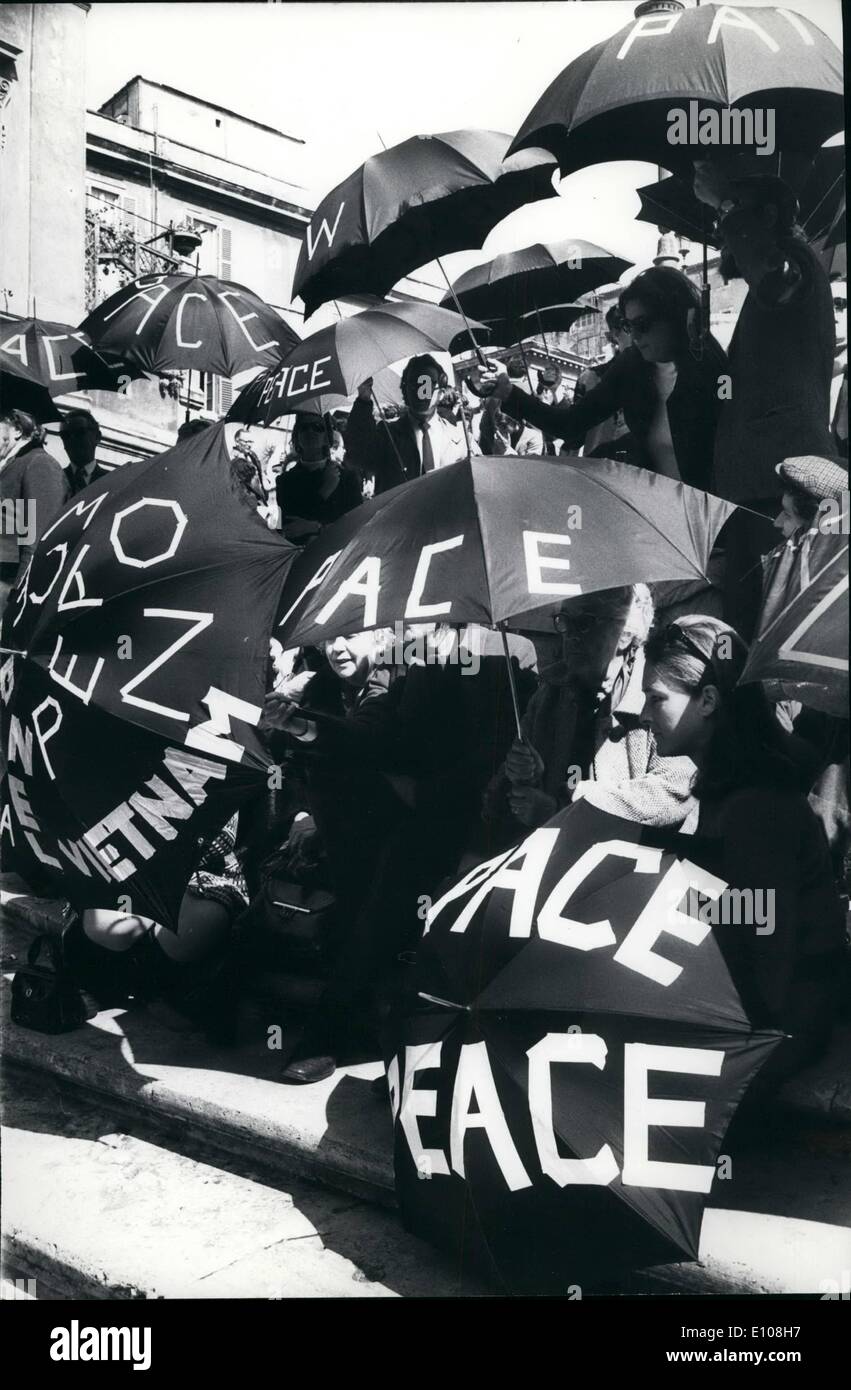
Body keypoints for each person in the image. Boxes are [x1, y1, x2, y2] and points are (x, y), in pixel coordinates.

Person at [642, 616, 846, 1081]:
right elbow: (742, 908)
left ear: (708, 701)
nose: (643, 715)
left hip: (781, 1024)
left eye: (657, 698)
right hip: (752, 1004)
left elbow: (768, 962)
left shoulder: (756, 804)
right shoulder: (729, 785)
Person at [692, 166, 836, 638]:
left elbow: (773, 278)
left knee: (764, 634)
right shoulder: (778, 281)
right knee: (752, 628)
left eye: (732, 217)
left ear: (768, 217)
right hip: (760, 485)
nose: (724, 234)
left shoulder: (793, 264)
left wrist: (723, 200)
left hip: (778, 485)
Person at [473, 267, 727, 491]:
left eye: (643, 324)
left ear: (675, 315)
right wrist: (508, 392)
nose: (635, 336)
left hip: (714, 515)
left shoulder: (713, 367)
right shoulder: (631, 366)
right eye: (628, 326)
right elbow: (570, 424)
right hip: (658, 513)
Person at [483, 585, 696, 845]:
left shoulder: (659, 693)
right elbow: (498, 806)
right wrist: (526, 778)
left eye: (585, 622)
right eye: (564, 621)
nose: (571, 636)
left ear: (625, 633)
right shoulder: (549, 694)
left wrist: (563, 808)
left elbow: (674, 790)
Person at [345, 354, 475, 493]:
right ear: (405, 390)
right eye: (414, 384)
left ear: (441, 393)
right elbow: (358, 456)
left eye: (427, 385)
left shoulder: (461, 438)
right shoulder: (387, 435)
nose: (421, 392)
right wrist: (364, 399)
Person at [0, 408, 68, 619]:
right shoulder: (12, 466)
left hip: (6, 597)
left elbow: (36, 543)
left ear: (17, 430)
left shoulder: (38, 464)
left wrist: (17, 607)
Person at [276, 409, 362, 531]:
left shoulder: (347, 478)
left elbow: (356, 525)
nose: (310, 431)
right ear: (296, 436)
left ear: (327, 437)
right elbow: (291, 528)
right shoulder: (285, 481)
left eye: (317, 427)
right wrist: (324, 491)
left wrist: (317, 528)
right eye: (304, 427)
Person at [58, 408, 109, 494]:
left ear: (97, 437)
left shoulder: (111, 481)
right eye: (65, 435)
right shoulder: (54, 479)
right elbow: (34, 501)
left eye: (79, 432)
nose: (72, 440)